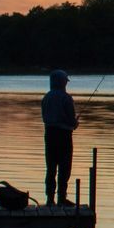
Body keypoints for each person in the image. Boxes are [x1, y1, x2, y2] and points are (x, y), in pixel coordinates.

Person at [41, 68, 78, 206]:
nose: (66, 84)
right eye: (65, 82)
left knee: (51, 168)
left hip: (49, 134)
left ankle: (50, 199)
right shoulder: (66, 98)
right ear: (62, 82)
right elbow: (71, 120)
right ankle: (62, 198)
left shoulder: (46, 97)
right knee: (64, 168)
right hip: (64, 136)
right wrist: (75, 123)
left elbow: (45, 117)